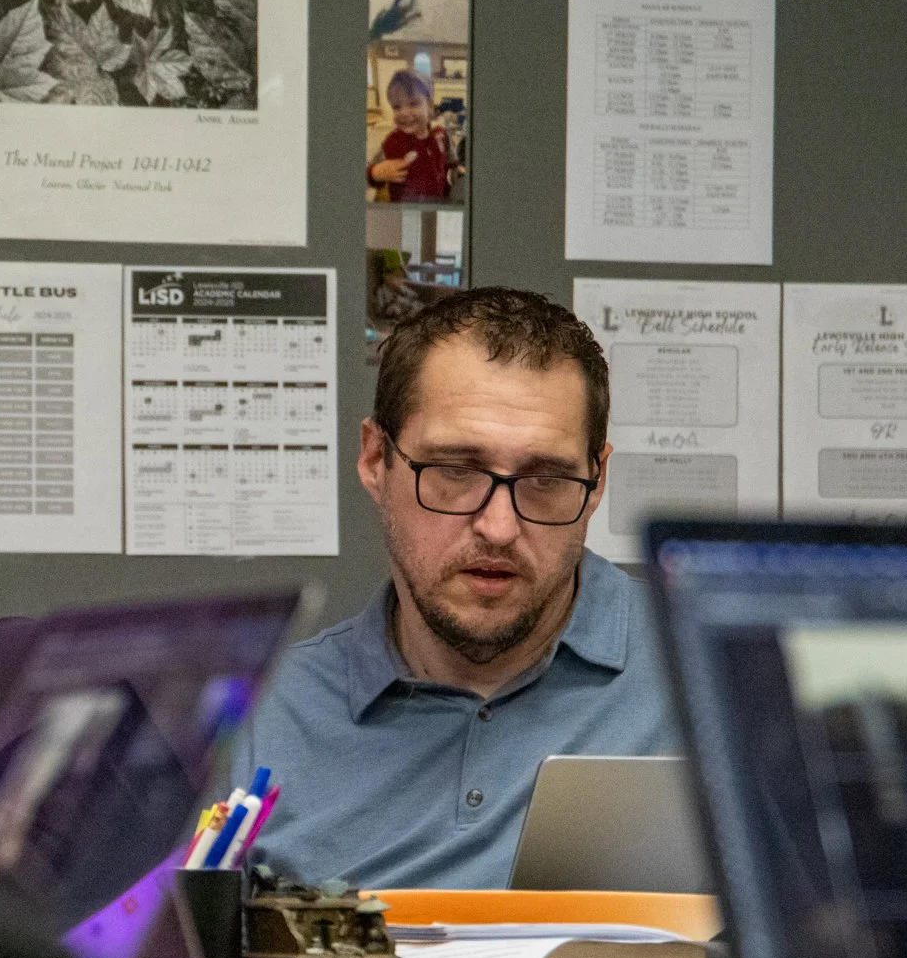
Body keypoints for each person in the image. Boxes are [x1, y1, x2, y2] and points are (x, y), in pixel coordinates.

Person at [237, 287, 675, 888]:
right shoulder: (261, 719)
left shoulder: (710, 676)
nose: (499, 527)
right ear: (375, 460)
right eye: (455, 472)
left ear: (595, 482)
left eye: (546, 478)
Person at [368, 68, 454, 201]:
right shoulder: (391, 142)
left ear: (430, 106)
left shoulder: (441, 135)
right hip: (405, 211)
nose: (404, 112)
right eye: (397, 107)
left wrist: (457, 170)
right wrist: (374, 173)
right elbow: (369, 171)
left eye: (413, 104)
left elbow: (450, 161)